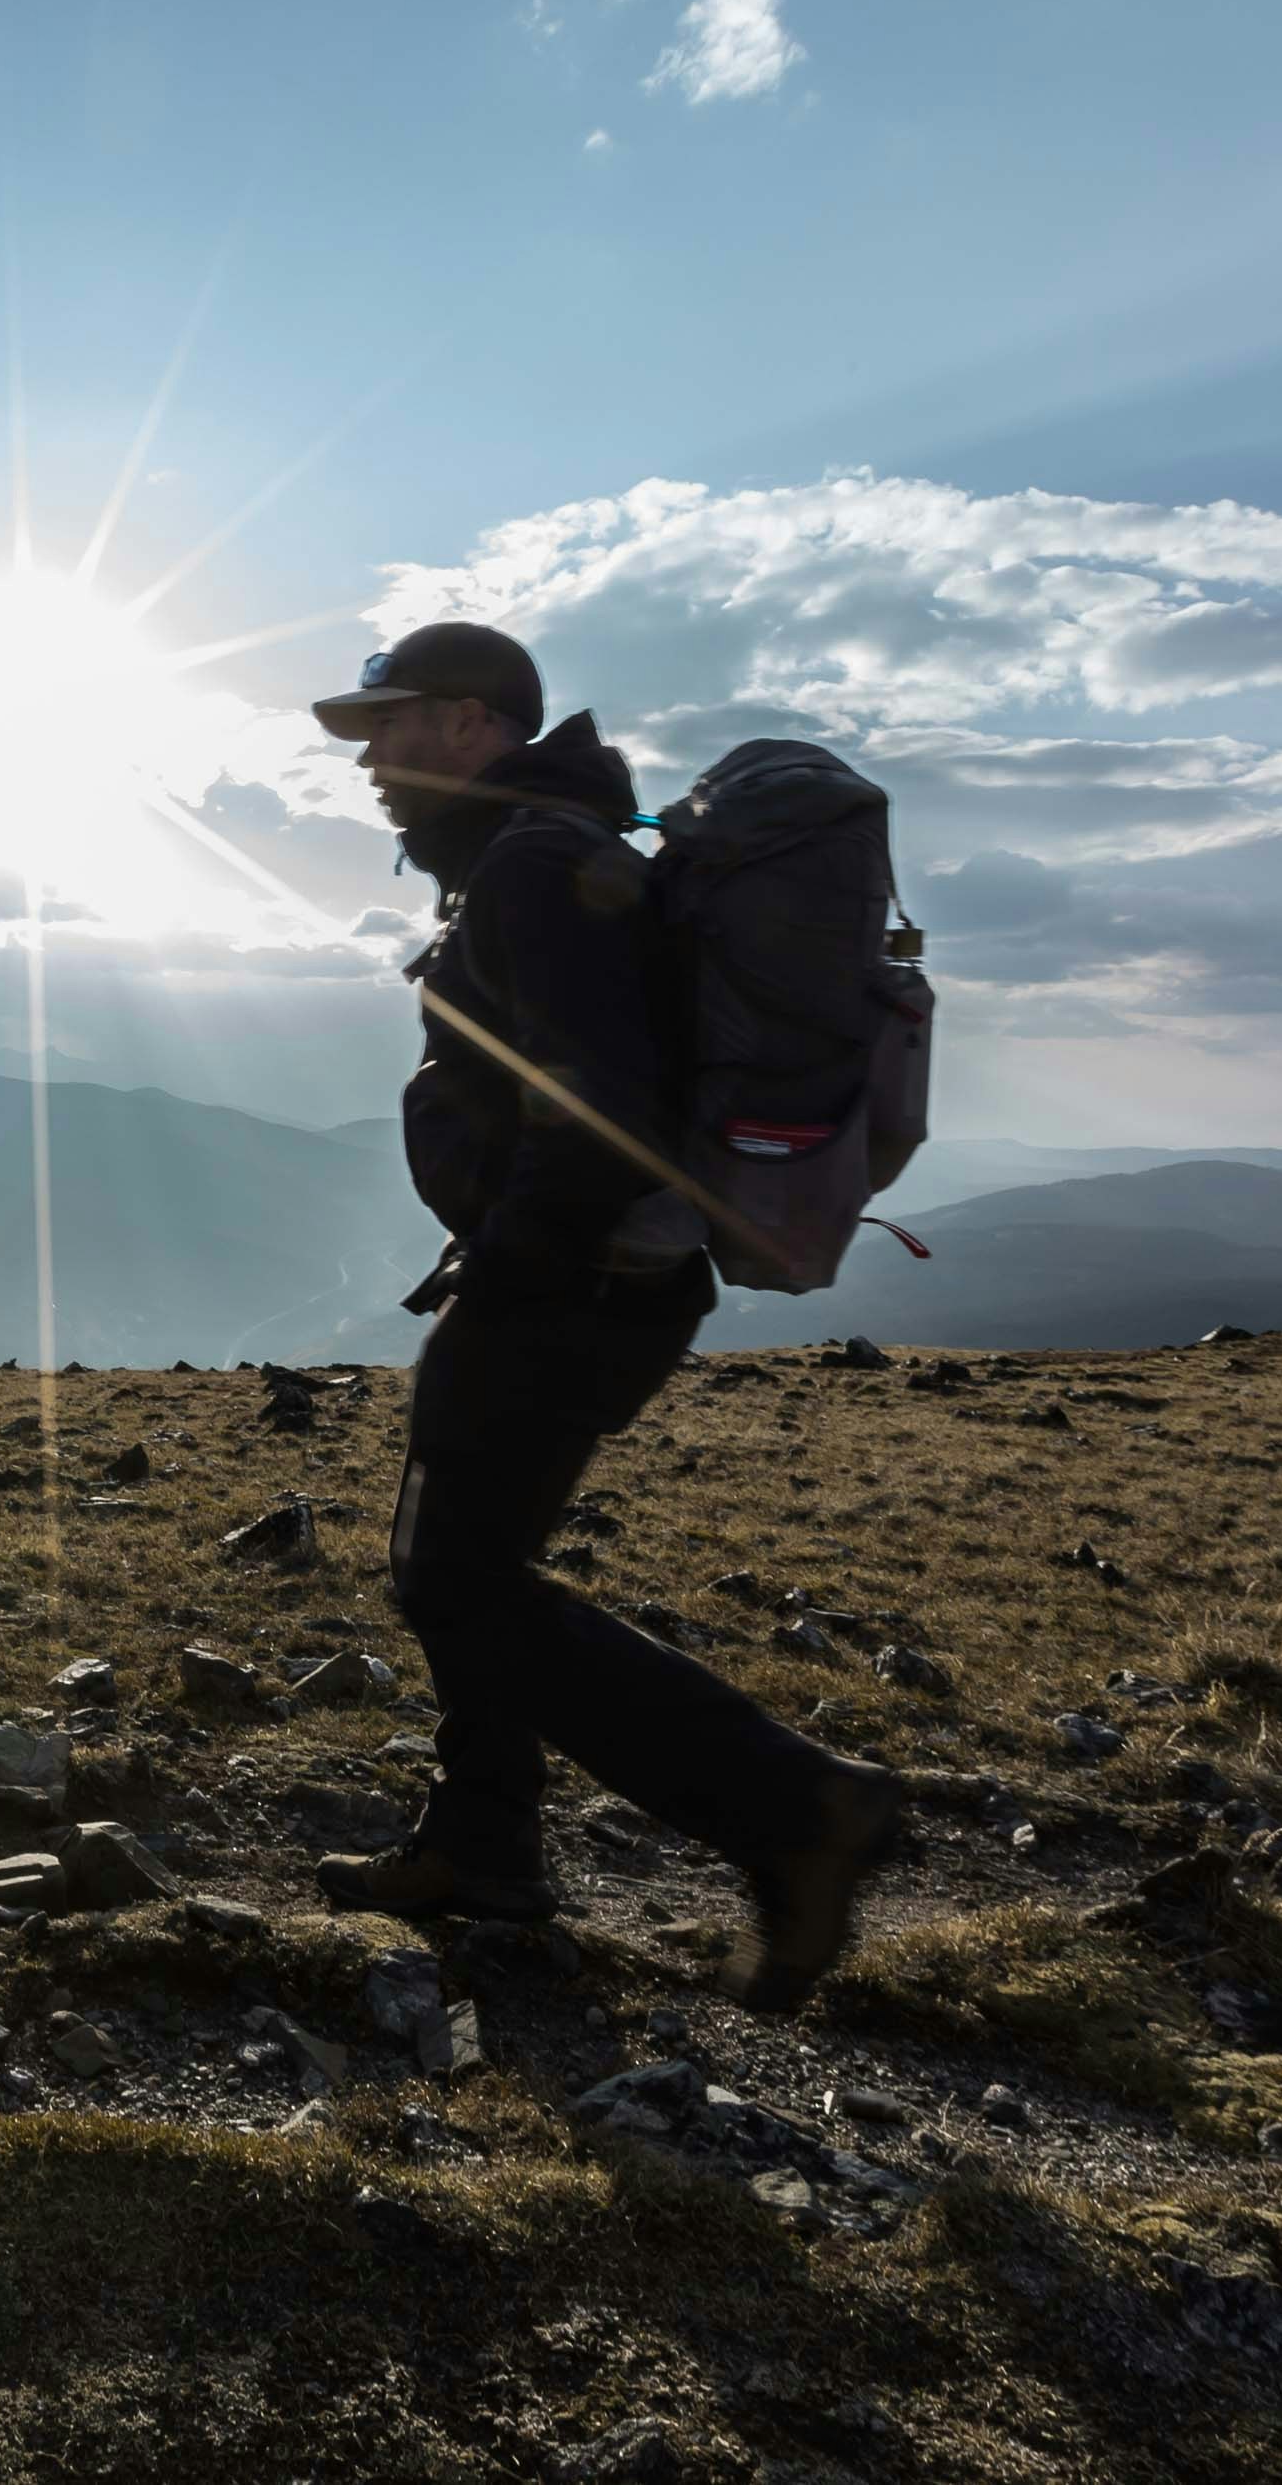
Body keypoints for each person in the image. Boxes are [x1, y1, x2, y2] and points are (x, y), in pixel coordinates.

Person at [303, 620, 904, 2014]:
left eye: (390, 727)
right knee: (459, 1561)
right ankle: (483, 1845)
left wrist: (515, 1264)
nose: (370, 762)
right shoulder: (539, 855)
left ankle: (802, 1809)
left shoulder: (534, 869)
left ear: (473, 724)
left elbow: (599, 1108)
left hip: (574, 1284)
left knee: (457, 1578)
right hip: (580, 1277)